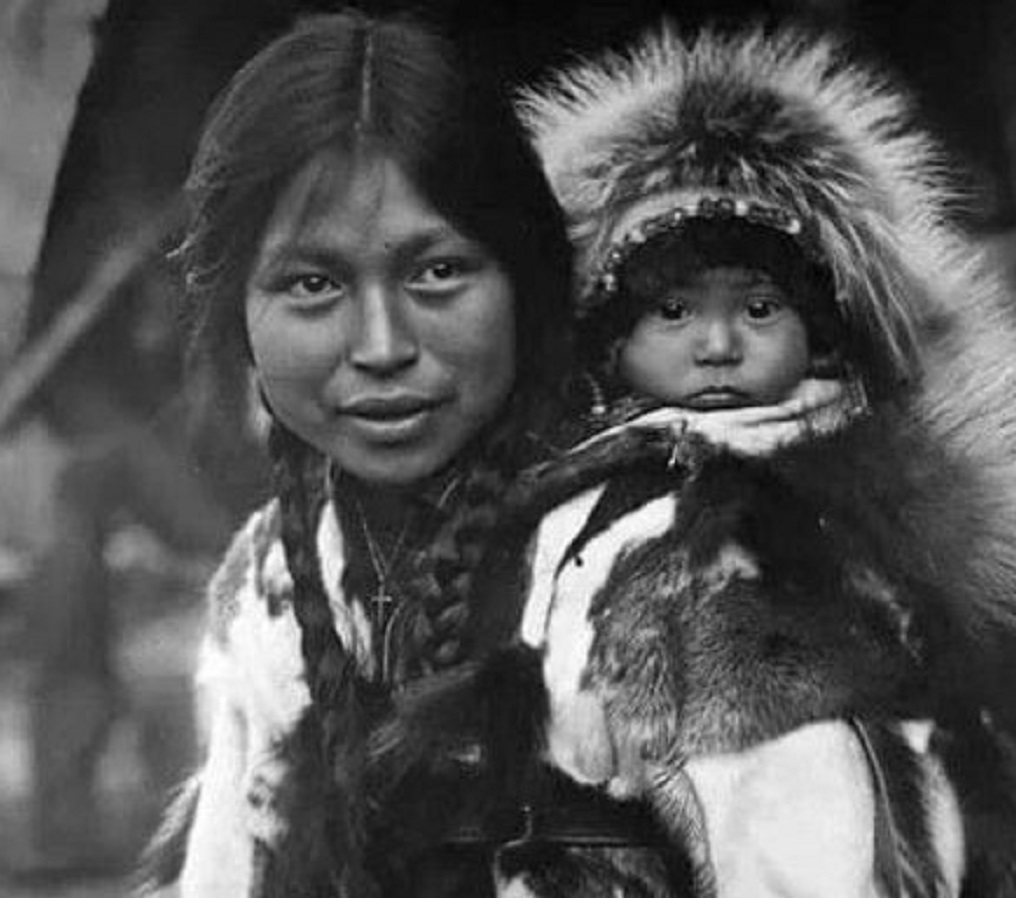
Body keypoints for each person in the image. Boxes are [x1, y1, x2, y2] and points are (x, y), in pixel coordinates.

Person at [364, 25, 1016, 898]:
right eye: (672, 310)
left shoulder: (791, 534)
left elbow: (805, 824)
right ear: (610, 340)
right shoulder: (585, 482)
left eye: (758, 307)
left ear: (821, 337)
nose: (717, 344)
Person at [138, 12, 695, 898]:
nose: (383, 344)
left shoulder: (680, 565)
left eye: (437, 271)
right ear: (237, 317)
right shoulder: (269, 584)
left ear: (527, 281)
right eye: (312, 284)